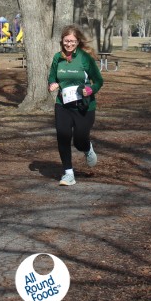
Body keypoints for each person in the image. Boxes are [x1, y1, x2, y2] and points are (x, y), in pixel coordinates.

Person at [48, 25, 104, 186]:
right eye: (66, 41)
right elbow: (52, 76)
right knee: (63, 136)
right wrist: (52, 84)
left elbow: (98, 81)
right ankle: (68, 173)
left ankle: (87, 148)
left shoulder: (85, 58)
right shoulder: (57, 57)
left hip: (84, 106)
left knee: (79, 140)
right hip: (63, 105)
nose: (69, 44)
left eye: (72, 41)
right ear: (62, 41)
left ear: (78, 41)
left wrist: (90, 89)